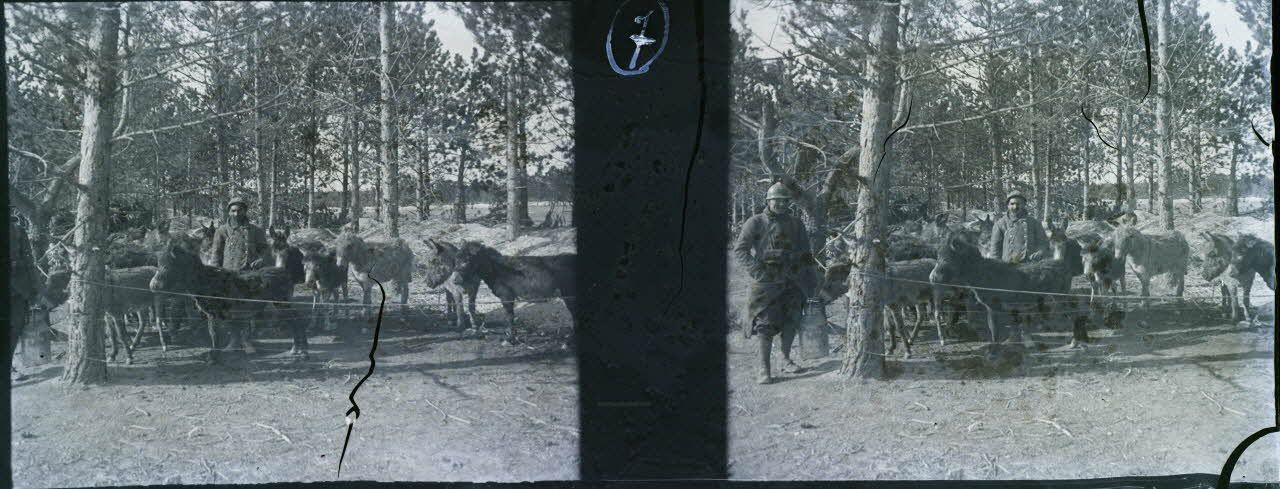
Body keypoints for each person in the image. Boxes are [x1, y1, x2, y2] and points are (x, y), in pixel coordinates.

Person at [734, 182, 816, 385]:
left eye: (784, 201)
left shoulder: (796, 224)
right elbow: (741, 250)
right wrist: (757, 271)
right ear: (768, 201)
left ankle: (785, 359)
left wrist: (810, 279)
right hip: (767, 282)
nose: (780, 204)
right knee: (765, 324)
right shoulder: (755, 222)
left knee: (792, 319)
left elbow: (807, 253)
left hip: (792, 279)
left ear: (789, 203)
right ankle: (764, 368)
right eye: (776, 200)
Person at [987, 190, 1049, 264]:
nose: (1015, 207)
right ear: (1008, 205)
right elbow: (995, 251)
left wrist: (1040, 252)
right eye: (1012, 204)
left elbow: (1043, 243)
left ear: (1024, 205)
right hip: (1009, 266)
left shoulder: (1034, 223)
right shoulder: (1000, 224)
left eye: (1018, 204)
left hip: (1031, 265)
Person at [9, 217, 37, 380]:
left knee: (16, 329)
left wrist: (34, 288)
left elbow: (29, 260)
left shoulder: (18, 230)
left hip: (19, 289)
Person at [212, 196, 270, 271]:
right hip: (229, 273)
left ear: (245, 211)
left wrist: (261, 260)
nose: (236, 214)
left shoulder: (256, 230)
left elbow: (265, 251)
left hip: (250, 272)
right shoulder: (222, 231)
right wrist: (216, 272)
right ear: (229, 212)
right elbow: (216, 256)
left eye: (240, 210)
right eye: (233, 211)